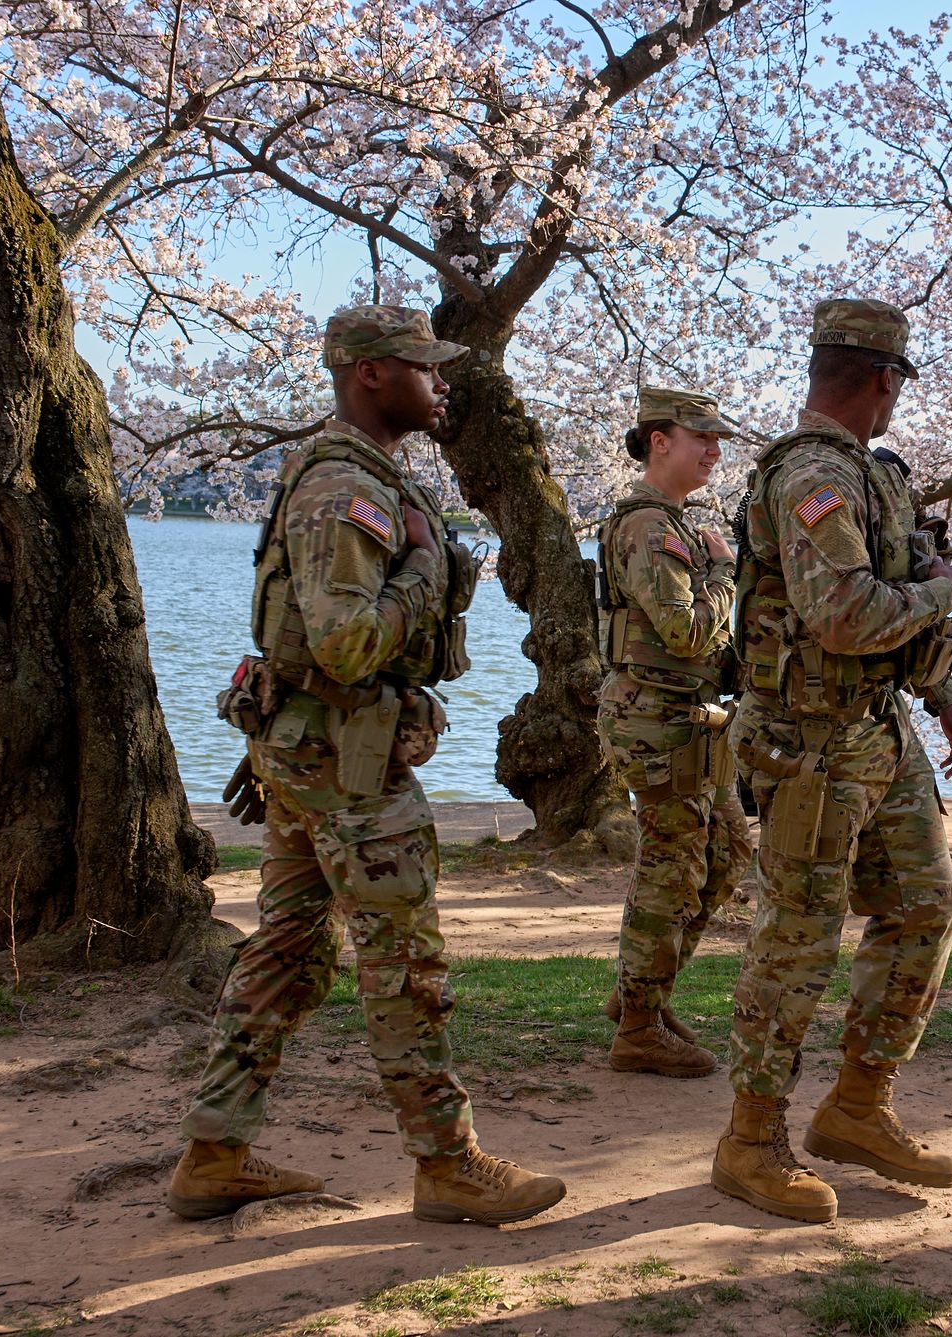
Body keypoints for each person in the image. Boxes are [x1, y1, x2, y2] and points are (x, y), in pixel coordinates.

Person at [167, 305, 566, 1227]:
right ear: (372, 375)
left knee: (293, 950)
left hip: (310, 755)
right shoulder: (344, 487)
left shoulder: (365, 477)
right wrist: (425, 572)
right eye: (423, 367)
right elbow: (346, 646)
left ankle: (214, 1151)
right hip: (345, 760)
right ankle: (448, 1162)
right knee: (405, 958)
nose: (439, 383)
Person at [711, 297, 952, 1223]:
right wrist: (945, 593)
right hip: (810, 746)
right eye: (898, 382)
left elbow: (883, 599)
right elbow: (843, 614)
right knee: (798, 933)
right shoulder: (814, 475)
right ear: (883, 379)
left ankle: (858, 1105)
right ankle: (751, 1139)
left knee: (924, 905)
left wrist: (944, 698)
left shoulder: (869, 475)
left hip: (878, 727)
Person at [594, 386, 754, 1078]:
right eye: (702, 439)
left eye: (718, 440)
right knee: (674, 871)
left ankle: (640, 993)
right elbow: (686, 631)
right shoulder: (650, 527)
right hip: (655, 722)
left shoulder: (677, 523)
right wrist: (725, 571)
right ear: (660, 440)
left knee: (726, 856)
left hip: (688, 721)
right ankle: (637, 1023)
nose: (715, 452)